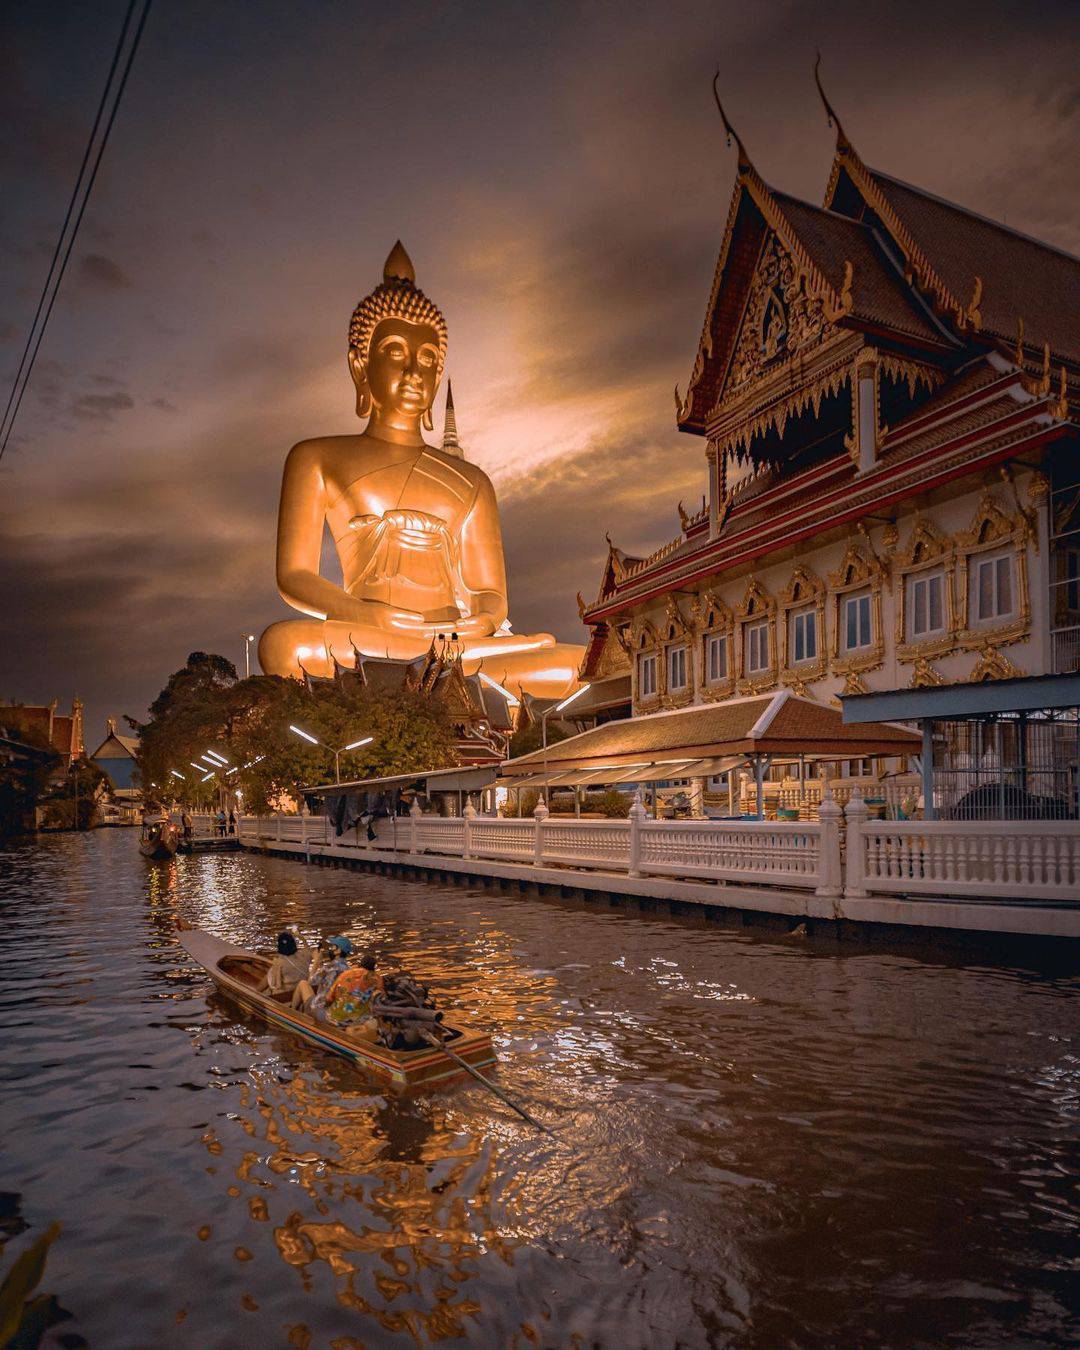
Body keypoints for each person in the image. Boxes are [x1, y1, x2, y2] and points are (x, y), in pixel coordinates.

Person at [291, 935, 352, 1016]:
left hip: (321, 1010)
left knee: (303, 984)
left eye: (333, 947)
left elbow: (311, 981)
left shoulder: (330, 967)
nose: (330, 949)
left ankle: (291, 1013)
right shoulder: (349, 970)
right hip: (336, 1009)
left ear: (338, 951)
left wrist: (316, 960)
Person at [324, 953, 383, 1027]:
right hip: (358, 1022)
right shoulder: (377, 978)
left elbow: (329, 999)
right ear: (373, 969)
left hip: (334, 1019)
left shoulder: (344, 974)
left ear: (360, 964)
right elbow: (379, 999)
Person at [259, 932, 308, 996]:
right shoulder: (304, 956)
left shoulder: (279, 962)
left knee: (270, 974)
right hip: (298, 991)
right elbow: (307, 949)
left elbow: (275, 985)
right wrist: (303, 939)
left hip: (285, 995)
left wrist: (276, 967)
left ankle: (255, 992)